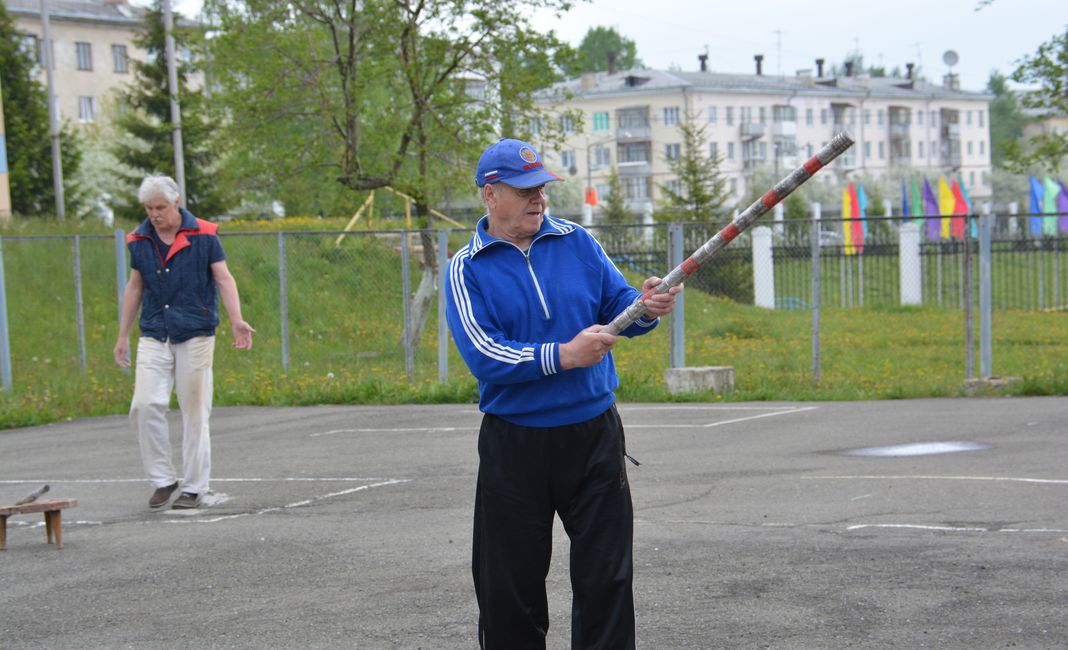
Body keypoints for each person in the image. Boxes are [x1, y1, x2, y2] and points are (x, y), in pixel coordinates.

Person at [445, 138, 682, 649]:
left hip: (593, 437)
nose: (539, 198)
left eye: (543, 188)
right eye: (525, 189)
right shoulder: (466, 268)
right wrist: (564, 355)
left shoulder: (577, 241)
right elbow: (485, 352)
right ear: (490, 195)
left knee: (607, 581)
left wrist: (648, 304)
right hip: (516, 445)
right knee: (509, 591)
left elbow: (621, 307)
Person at [113, 174, 255, 510]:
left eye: (160, 207)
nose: (155, 214)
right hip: (154, 332)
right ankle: (163, 480)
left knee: (194, 411)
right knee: (144, 405)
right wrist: (122, 336)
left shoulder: (204, 234)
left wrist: (237, 321)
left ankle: (194, 487)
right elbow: (135, 287)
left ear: (176, 202)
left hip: (196, 332)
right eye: (149, 208)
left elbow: (223, 277)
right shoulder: (139, 239)